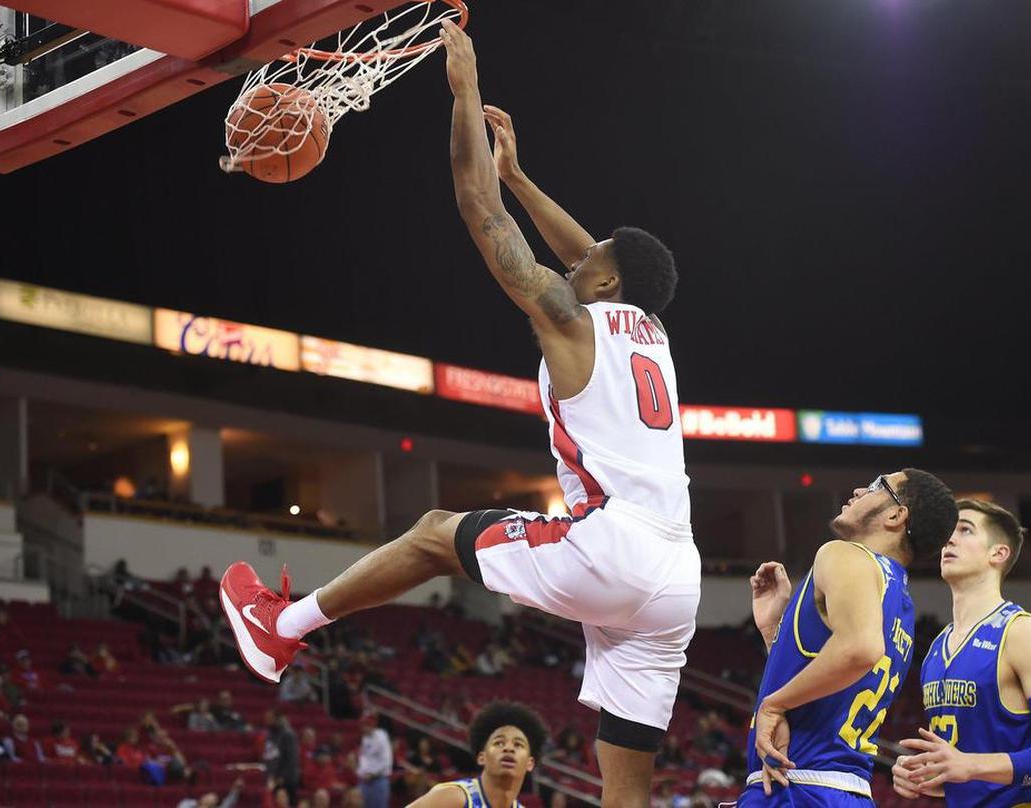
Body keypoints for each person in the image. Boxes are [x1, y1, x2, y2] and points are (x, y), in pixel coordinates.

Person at [219, 21, 699, 807]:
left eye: (588, 261)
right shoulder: (649, 329)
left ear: (605, 283)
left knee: (439, 532)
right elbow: (594, 253)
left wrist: (465, 93)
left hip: (612, 547)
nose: (573, 259)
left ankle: (284, 627)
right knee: (627, 785)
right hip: (675, 576)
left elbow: (477, 210)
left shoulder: (570, 318)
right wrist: (521, 174)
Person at [738, 470, 958, 805]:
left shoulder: (843, 553)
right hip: (844, 789)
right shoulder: (901, 604)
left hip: (797, 786)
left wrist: (773, 705)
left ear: (896, 515)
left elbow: (860, 650)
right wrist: (775, 633)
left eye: (876, 486)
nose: (858, 489)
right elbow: (837, 677)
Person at [892, 499, 1031, 804]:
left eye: (966, 530)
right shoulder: (935, 649)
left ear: (998, 553)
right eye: (949, 531)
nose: (950, 538)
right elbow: (972, 768)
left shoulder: (1022, 632)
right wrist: (929, 776)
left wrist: (970, 765)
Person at [409, 701, 548, 808]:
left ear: (530, 763)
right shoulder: (455, 797)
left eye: (518, 744)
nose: (509, 749)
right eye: (499, 743)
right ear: (482, 757)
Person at [355, 710, 392, 808]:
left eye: (365, 725)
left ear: (371, 725)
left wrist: (372, 774)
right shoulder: (365, 738)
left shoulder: (381, 736)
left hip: (378, 780)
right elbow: (365, 759)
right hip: (365, 781)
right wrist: (360, 772)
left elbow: (386, 761)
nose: (362, 727)